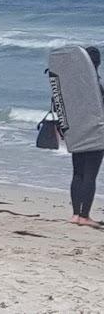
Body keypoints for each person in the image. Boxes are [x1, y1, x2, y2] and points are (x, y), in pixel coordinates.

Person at [48, 44, 104, 226]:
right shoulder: (97, 88)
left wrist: (64, 129)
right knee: (90, 175)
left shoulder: (70, 85)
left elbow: (58, 105)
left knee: (77, 173)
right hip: (96, 135)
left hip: (76, 133)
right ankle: (84, 216)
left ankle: (74, 215)